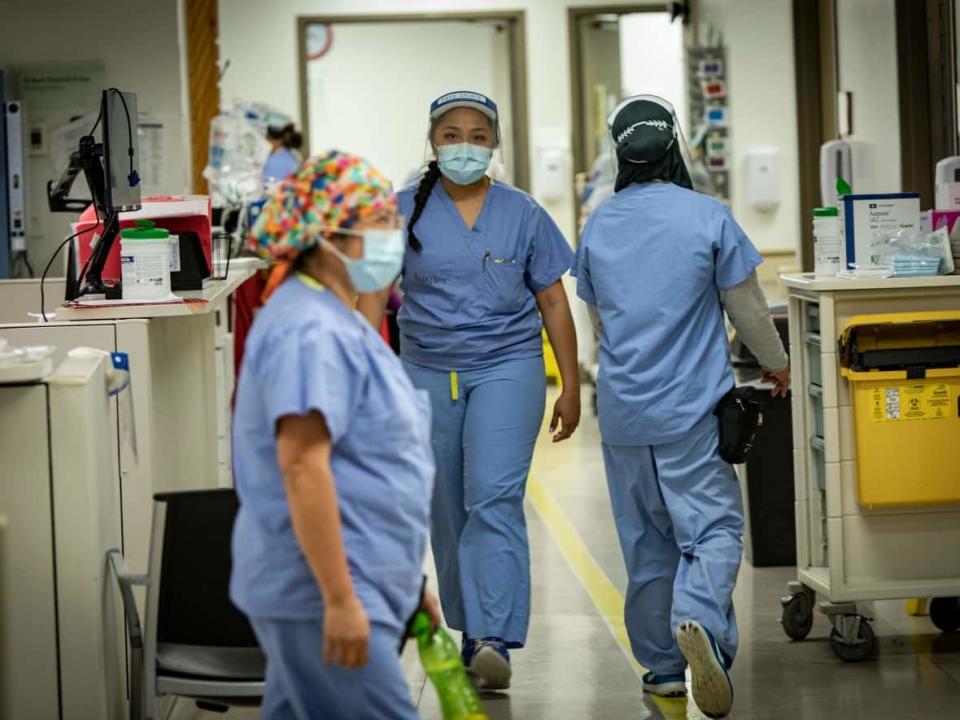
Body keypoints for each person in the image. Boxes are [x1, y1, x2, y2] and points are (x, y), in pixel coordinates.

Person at [573, 95, 789, 719]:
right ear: (675, 147)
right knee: (714, 528)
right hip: (690, 410)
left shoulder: (599, 222)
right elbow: (746, 307)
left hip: (622, 411)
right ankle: (696, 622)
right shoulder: (707, 216)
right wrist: (775, 362)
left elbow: (600, 321)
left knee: (645, 546)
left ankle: (663, 672)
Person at [231, 151, 440, 719]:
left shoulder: (336, 317)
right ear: (330, 234)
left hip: (356, 578)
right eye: (381, 222)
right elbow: (303, 466)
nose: (395, 234)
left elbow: (366, 463)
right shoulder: (310, 329)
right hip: (321, 591)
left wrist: (403, 582)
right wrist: (342, 599)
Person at [393, 90, 581, 690]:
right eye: (452, 135)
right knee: (446, 508)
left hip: (507, 367)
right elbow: (364, 295)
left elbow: (553, 298)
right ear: (433, 142)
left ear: (494, 144)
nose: (465, 146)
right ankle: (471, 625)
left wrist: (572, 385)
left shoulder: (522, 212)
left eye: (478, 135)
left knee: (493, 499)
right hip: (425, 372)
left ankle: (492, 634)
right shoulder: (399, 211)